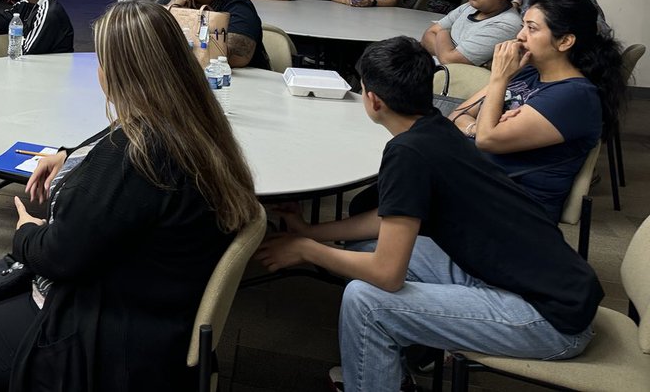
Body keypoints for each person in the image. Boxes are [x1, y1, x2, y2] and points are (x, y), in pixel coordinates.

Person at [0, 0, 260, 392]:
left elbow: (59, 256)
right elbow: (115, 161)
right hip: (165, 305)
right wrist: (69, 155)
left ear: (117, 74)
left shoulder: (134, 155)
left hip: (117, 334)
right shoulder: (196, 124)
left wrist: (25, 231)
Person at [255, 36, 601, 392]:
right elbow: (387, 219)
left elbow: (387, 275)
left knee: (366, 301)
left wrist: (305, 250)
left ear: (372, 100)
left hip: (548, 319)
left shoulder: (408, 153)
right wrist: (311, 232)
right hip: (529, 281)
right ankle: (387, 371)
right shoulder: (435, 127)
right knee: (362, 247)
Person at [445, 0, 626, 220]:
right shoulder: (528, 72)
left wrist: (499, 79)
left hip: (512, 209)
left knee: (400, 186)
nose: (520, 35)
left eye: (531, 28)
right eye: (523, 25)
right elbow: (456, 114)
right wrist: (478, 126)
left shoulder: (574, 96)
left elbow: (487, 139)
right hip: (478, 185)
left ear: (565, 41)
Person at [421, 0, 522, 66]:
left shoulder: (506, 24)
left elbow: (450, 61)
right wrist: (446, 52)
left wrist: (443, 33)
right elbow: (427, 35)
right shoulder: (469, 7)